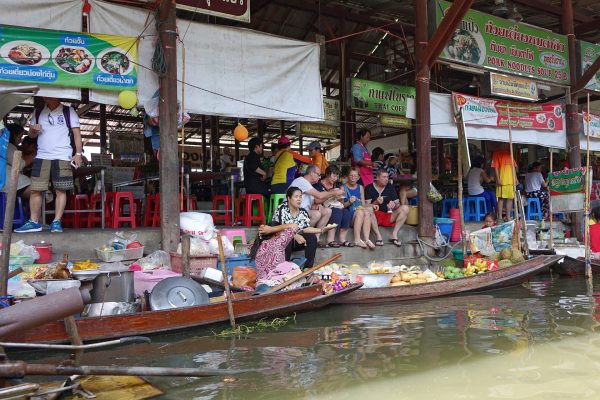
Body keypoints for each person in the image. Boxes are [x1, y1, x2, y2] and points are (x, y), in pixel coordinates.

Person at [16, 97, 83, 233]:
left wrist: (78, 153)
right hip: (42, 155)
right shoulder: (39, 111)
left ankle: (56, 221)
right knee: (36, 189)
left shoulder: (68, 111)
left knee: (60, 189)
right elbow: (32, 135)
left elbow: (77, 134)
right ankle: (34, 222)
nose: (46, 96)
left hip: (62, 155)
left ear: (57, 95)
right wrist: (33, 131)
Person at [270, 186, 335, 268]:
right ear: (289, 198)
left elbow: (305, 228)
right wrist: (294, 235)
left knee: (312, 237)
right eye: (296, 196)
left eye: (300, 197)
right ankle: (283, 268)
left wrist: (321, 230)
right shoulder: (282, 209)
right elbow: (282, 228)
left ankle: (308, 268)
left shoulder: (302, 212)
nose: (299, 199)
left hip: (296, 241)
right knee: (287, 237)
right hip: (280, 241)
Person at [289, 165, 344, 241]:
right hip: (292, 212)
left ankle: (316, 238)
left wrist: (317, 206)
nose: (320, 177)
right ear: (312, 173)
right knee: (316, 214)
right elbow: (320, 195)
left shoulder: (309, 185)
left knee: (327, 211)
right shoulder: (301, 181)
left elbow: (314, 202)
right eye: (318, 174)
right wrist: (334, 192)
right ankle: (301, 236)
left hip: (303, 211)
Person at [364, 169, 409, 247]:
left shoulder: (390, 187)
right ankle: (378, 236)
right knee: (369, 210)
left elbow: (398, 204)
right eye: (384, 177)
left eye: (387, 177)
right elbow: (366, 206)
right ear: (377, 178)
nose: (386, 179)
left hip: (388, 215)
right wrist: (376, 202)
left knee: (405, 208)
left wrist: (394, 206)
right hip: (374, 217)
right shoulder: (369, 187)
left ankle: (394, 235)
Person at [313, 165, 351, 248]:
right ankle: (330, 240)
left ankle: (342, 239)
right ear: (327, 174)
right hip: (322, 207)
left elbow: (341, 202)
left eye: (337, 176)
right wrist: (331, 193)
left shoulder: (337, 185)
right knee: (336, 211)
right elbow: (317, 200)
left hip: (334, 206)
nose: (335, 178)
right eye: (334, 175)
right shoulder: (318, 185)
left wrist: (340, 196)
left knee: (346, 213)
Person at [340, 167, 375, 249]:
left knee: (366, 212)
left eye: (355, 176)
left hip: (360, 214)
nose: (353, 178)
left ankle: (366, 239)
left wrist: (372, 205)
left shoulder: (360, 187)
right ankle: (357, 239)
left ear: (358, 177)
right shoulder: (343, 188)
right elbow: (340, 206)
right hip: (350, 217)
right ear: (347, 176)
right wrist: (349, 202)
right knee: (361, 212)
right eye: (351, 176)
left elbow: (363, 204)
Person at [3, 124, 31, 200]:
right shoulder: (8, 146)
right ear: (14, 135)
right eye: (20, 136)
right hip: (8, 184)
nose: (21, 139)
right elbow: (19, 164)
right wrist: (33, 156)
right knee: (38, 191)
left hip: (6, 182)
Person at [491, 145, 517, 221]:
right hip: (502, 180)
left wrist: (515, 178)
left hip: (511, 180)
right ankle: (500, 217)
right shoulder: (496, 153)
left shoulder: (510, 153)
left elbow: (513, 167)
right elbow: (495, 167)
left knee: (510, 199)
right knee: (501, 199)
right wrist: (498, 179)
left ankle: (508, 216)